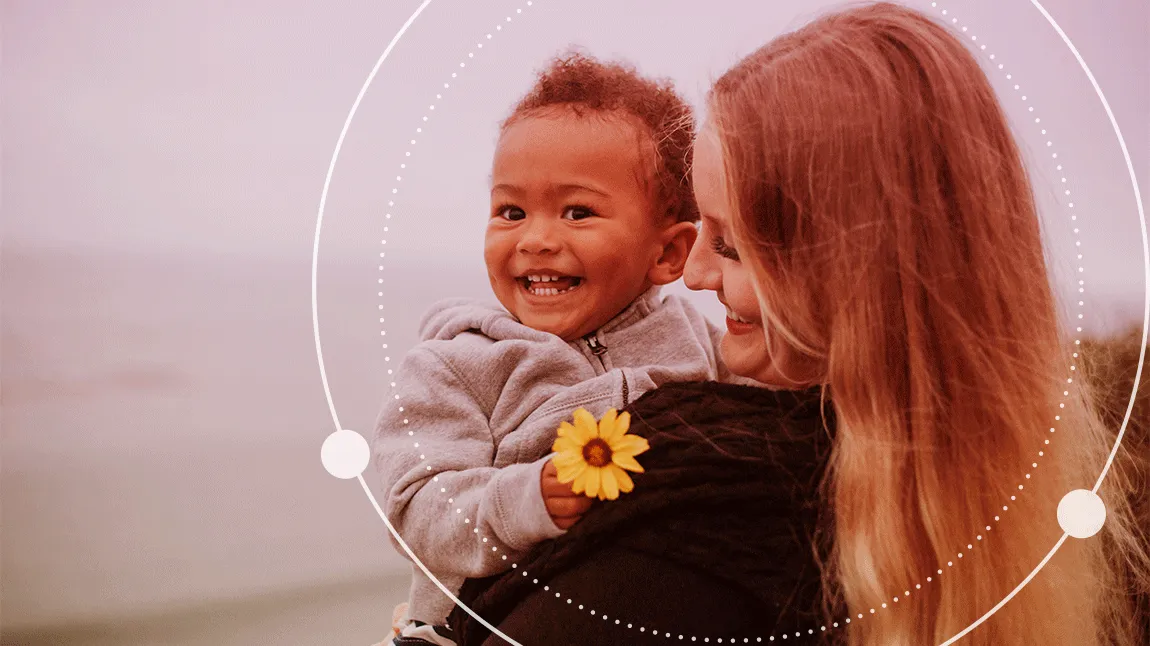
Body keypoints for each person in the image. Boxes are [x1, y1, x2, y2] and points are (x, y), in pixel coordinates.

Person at [449, 3, 1148, 645]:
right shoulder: (993, 515)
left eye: (728, 245)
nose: (690, 275)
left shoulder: (700, 513)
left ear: (850, 272)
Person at [372, 51, 745, 646]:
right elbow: (418, 509)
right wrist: (526, 499)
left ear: (669, 254)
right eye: (511, 211)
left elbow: (767, 418)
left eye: (578, 212)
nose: (537, 240)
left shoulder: (699, 343)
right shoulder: (457, 365)